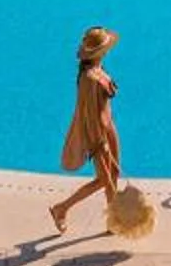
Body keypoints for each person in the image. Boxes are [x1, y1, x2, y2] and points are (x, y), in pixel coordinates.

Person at [49, 25, 121, 234]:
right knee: (104, 179)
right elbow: (90, 115)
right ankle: (61, 208)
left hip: (109, 127)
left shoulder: (97, 69)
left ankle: (113, 222)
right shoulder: (89, 79)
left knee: (113, 174)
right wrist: (99, 144)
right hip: (97, 133)